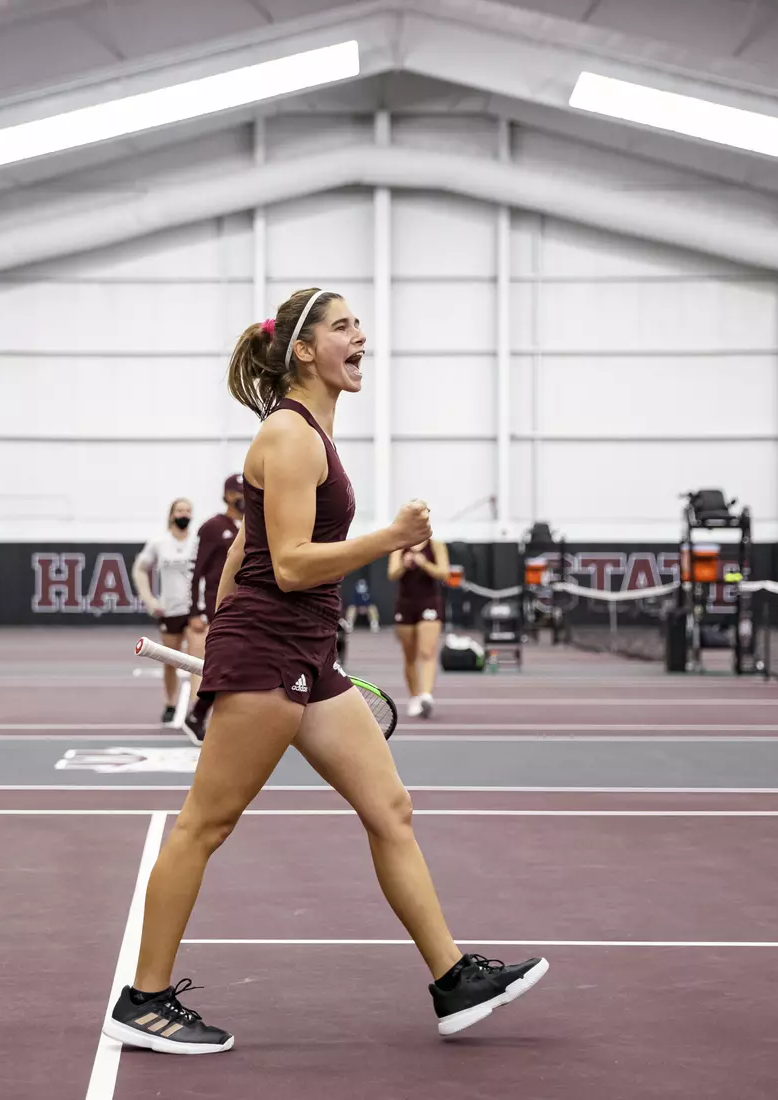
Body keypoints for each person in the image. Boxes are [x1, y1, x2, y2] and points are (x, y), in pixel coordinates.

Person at [102, 288, 548, 1054]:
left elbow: (248, 551)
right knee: (203, 826)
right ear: (304, 350)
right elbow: (299, 565)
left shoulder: (307, 435)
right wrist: (390, 537)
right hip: (275, 650)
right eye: (344, 326)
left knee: (390, 808)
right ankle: (142, 1002)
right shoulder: (291, 435)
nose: (360, 337)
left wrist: (222, 623)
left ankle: (453, 980)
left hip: (304, 651)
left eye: (358, 326)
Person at [181, 475, 245, 745]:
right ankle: (199, 712)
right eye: (239, 493)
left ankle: (208, 713)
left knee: (240, 664)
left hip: (245, 605)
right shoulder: (213, 527)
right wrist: (195, 611)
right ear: (227, 495)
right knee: (223, 663)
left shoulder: (253, 526)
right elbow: (196, 572)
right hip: (217, 606)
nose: (244, 498)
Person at [133, 499, 199, 725]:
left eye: (188, 511)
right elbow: (140, 569)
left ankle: (195, 707)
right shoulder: (159, 543)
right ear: (172, 515)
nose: (184, 514)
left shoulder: (197, 542)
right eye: (180, 510)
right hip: (169, 609)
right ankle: (170, 702)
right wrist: (150, 600)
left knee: (196, 659)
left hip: (193, 610)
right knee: (170, 660)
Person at [389, 538, 449, 718]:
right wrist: (404, 564)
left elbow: (444, 573)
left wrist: (424, 564)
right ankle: (414, 696)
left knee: (427, 652)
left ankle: (426, 695)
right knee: (410, 656)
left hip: (429, 602)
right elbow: (392, 574)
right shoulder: (399, 545)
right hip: (405, 605)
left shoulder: (436, 545)